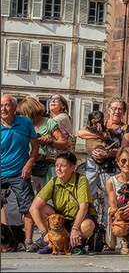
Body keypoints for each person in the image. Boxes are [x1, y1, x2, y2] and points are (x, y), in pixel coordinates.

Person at [78, 97, 129, 238]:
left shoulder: (126, 129)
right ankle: (83, 232)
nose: (117, 111)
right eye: (114, 108)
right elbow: (80, 133)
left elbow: (124, 150)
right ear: (108, 110)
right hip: (92, 166)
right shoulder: (100, 123)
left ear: (124, 112)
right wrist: (102, 134)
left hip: (111, 168)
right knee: (85, 198)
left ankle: (111, 238)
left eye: (120, 109)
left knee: (111, 203)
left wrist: (107, 154)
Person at [28, 152, 99, 255]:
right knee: (41, 208)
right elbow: (33, 208)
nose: (58, 169)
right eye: (56, 165)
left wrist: (75, 228)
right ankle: (51, 241)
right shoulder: (53, 181)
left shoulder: (81, 180)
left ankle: (78, 242)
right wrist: (45, 232)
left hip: (79, 219)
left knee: (87, 226)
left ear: (73, 167)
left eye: (63, 166)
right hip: (61, 221)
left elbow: (83, 207)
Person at [1, 93, 39, 252]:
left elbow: (35, 146)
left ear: (15, 108)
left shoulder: (25, 122)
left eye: (7, 105)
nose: (3, 108)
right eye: (1, 106)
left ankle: (28, 240)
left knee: (27, 205)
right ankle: (5, 239)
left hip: (19, 172)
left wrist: (29, 163)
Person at [17, 97, 65, 189]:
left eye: (24, 113)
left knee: (44, 196)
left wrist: (49, 141)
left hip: (45, 166)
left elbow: (63, 143)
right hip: (27, 165)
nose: (22, 116)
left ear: (32, 111)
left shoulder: (49, 123)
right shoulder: (23, 124)